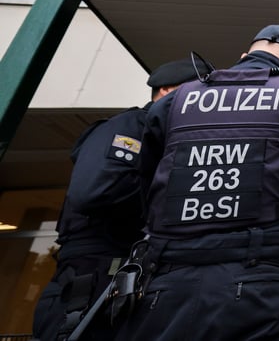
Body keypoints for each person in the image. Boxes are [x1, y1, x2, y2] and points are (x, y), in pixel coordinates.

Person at [114, 25, 279, 341]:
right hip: (258, 277)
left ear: (244, 56)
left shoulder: (176, 100)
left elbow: (149, 182)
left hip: (168, 277)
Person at [32, 58, 204, 341]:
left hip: (133, 281)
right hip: (93, 281)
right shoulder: (131, 127)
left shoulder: (172, 141)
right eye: (196, 93)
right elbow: (94, 191)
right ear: (166, 90)